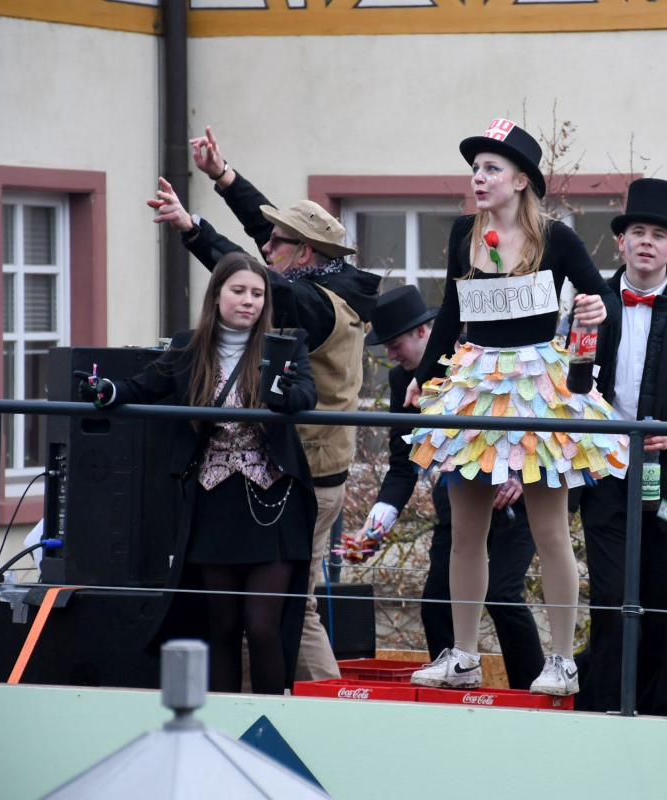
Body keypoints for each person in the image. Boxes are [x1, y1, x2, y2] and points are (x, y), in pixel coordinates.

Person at [148, 127, 380, 683]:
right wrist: (223, 177)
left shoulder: (310, 301)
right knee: (269, 613)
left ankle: (328, 710)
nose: (266, 248)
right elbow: (265, 232)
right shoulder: (331, 278)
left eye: (276, 244)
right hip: (311, 471)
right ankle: (268, 705)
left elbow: (243, 273)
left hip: (308, 473)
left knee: (294, 611)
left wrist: (192, 228)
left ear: (304, 253)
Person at [403, 119, 625, 696]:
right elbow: (450, 312)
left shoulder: (557, 237)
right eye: (475, 169)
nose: (479, 178)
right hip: (475, 382)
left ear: (521, 180)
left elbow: (604, 297)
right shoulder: (463, 232)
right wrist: (423, 379)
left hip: (537, 384)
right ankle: (463, 656)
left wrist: (597, 313)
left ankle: (561, 661)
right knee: (464, 532)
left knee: (549, 530)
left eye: (491, 169)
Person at [76, 253, 317, 695]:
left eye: (257, 294)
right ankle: (222, 725)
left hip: (272, 502)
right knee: (221, 628)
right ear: (217, 294)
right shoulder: (189, 346)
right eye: (238, 291)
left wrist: (283, 392)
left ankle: (270, 722)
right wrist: (105, 390)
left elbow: (306, 394)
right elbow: (143, 386)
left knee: (262, 626)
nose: (249, 301)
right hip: (213, 500)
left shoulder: (286, 343)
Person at [346, 285, 546, 689]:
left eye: (395, 344)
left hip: (513, 499)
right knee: (436, 603)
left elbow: (536, 417)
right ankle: (452, 686)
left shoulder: (481, 356)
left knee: (503, 596)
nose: (391, 355)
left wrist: (522, 476)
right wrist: (376, 524)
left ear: (423, 332)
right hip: (458, 503)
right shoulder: (402, 380)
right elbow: (403, 464)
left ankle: (532, 693)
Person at [576, 178, 667, 714]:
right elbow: (568, 385)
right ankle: (602, 716)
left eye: (658, 235)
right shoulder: (591, 303)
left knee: (661, 606)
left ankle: (652, 721)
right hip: (605, 473)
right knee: (611, 600)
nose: (646, 242)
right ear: (621, 241)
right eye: (637, 231)